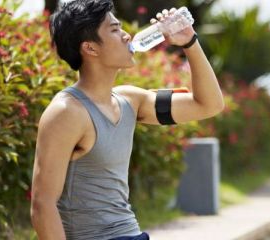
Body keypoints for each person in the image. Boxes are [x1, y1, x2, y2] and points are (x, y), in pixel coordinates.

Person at [30, 1, 224, 239]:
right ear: (90, 48)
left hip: (131, 233)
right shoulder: (66, 112)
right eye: (114, 30)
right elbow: (42, 205)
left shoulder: (129, 100)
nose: (126, 35)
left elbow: (209, 104)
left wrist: (190, 42)